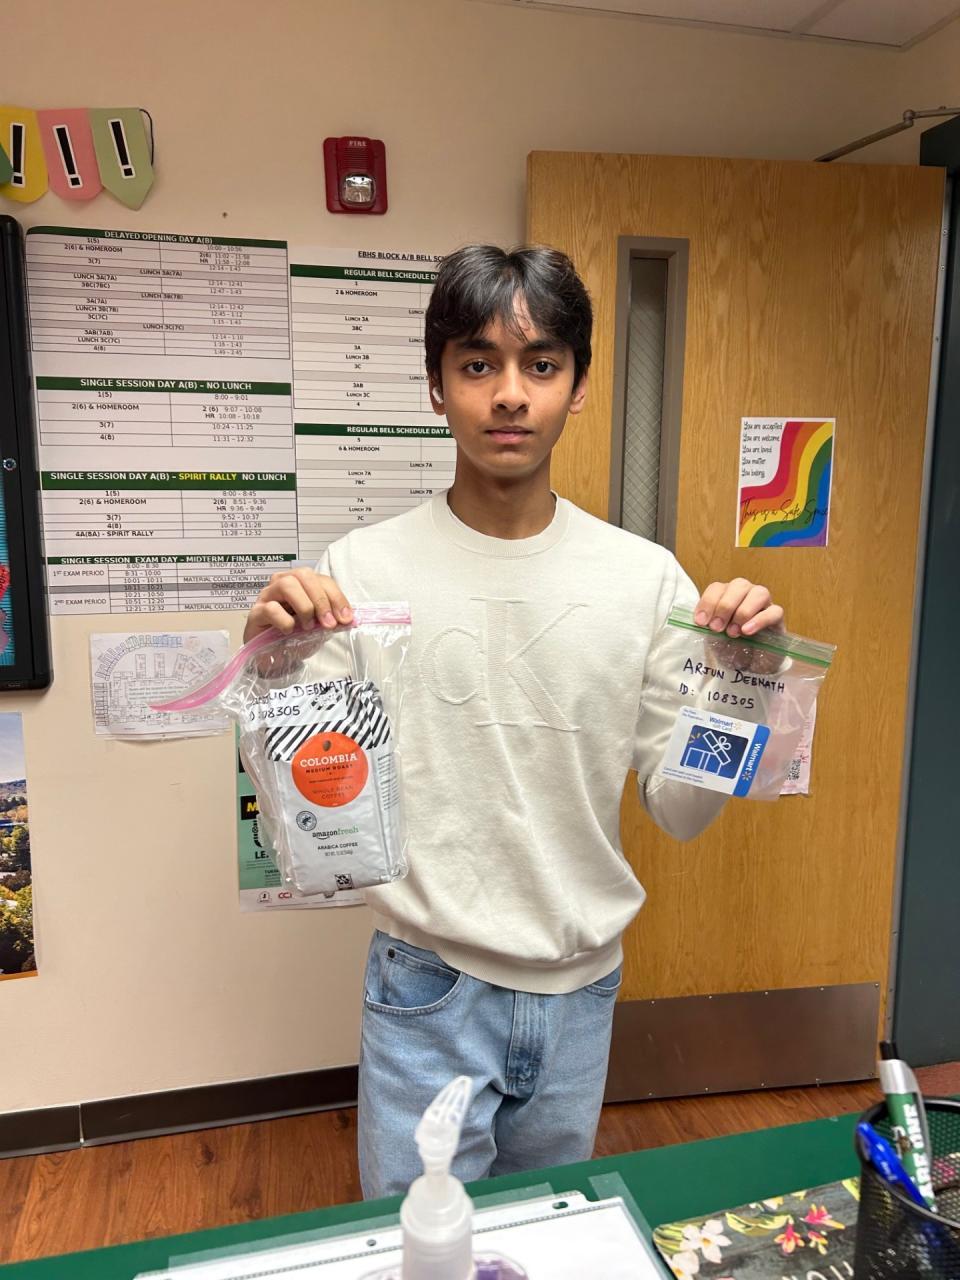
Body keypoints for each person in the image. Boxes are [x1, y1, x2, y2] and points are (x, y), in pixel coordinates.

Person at [244, 245, 785, 1199]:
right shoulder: (360, 571)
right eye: (477, 363)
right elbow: (313, 819)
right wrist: (273, 669)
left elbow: (682, 811)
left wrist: (740, 689)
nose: (509, 394)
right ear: (437, 386)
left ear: (578, 385)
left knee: (545, 1238)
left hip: (582, 992)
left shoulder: (646, 579)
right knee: (422, 1246)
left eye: (540, 364)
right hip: (427, 983)